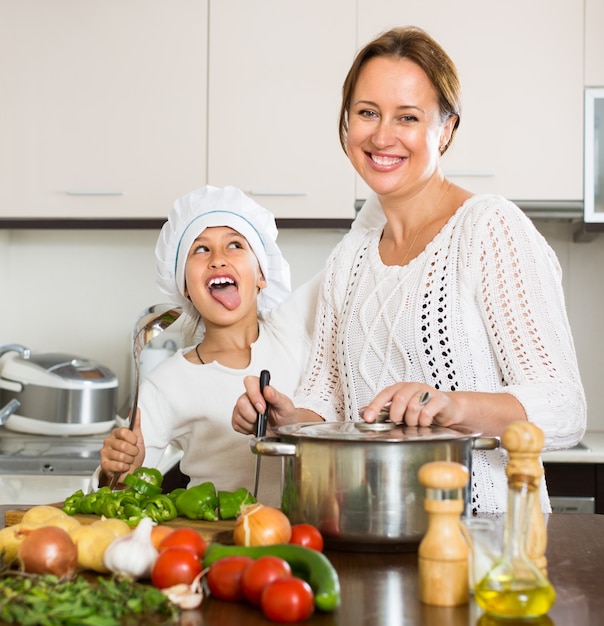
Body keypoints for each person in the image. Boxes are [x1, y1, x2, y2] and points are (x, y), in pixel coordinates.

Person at [232, 26, 586, 514]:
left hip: (491, 542)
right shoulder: (348, 260)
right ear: (346, 123)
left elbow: (565, 409)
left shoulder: (489, 229)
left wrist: (451, 406)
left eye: (408, 117)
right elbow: (328, 407)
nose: (381, 136)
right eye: (367, 113)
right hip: (376, 532)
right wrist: (285, 417)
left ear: (446, 129)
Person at [97, 185, 313, 506]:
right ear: (184, 286)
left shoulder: (301, 342)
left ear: (262, 274)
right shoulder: (165, 383)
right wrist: (121, 467)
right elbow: (117, 493)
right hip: (215, 541)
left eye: (235, 245)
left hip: (305, 537)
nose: (218, 260)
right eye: (200, 250)